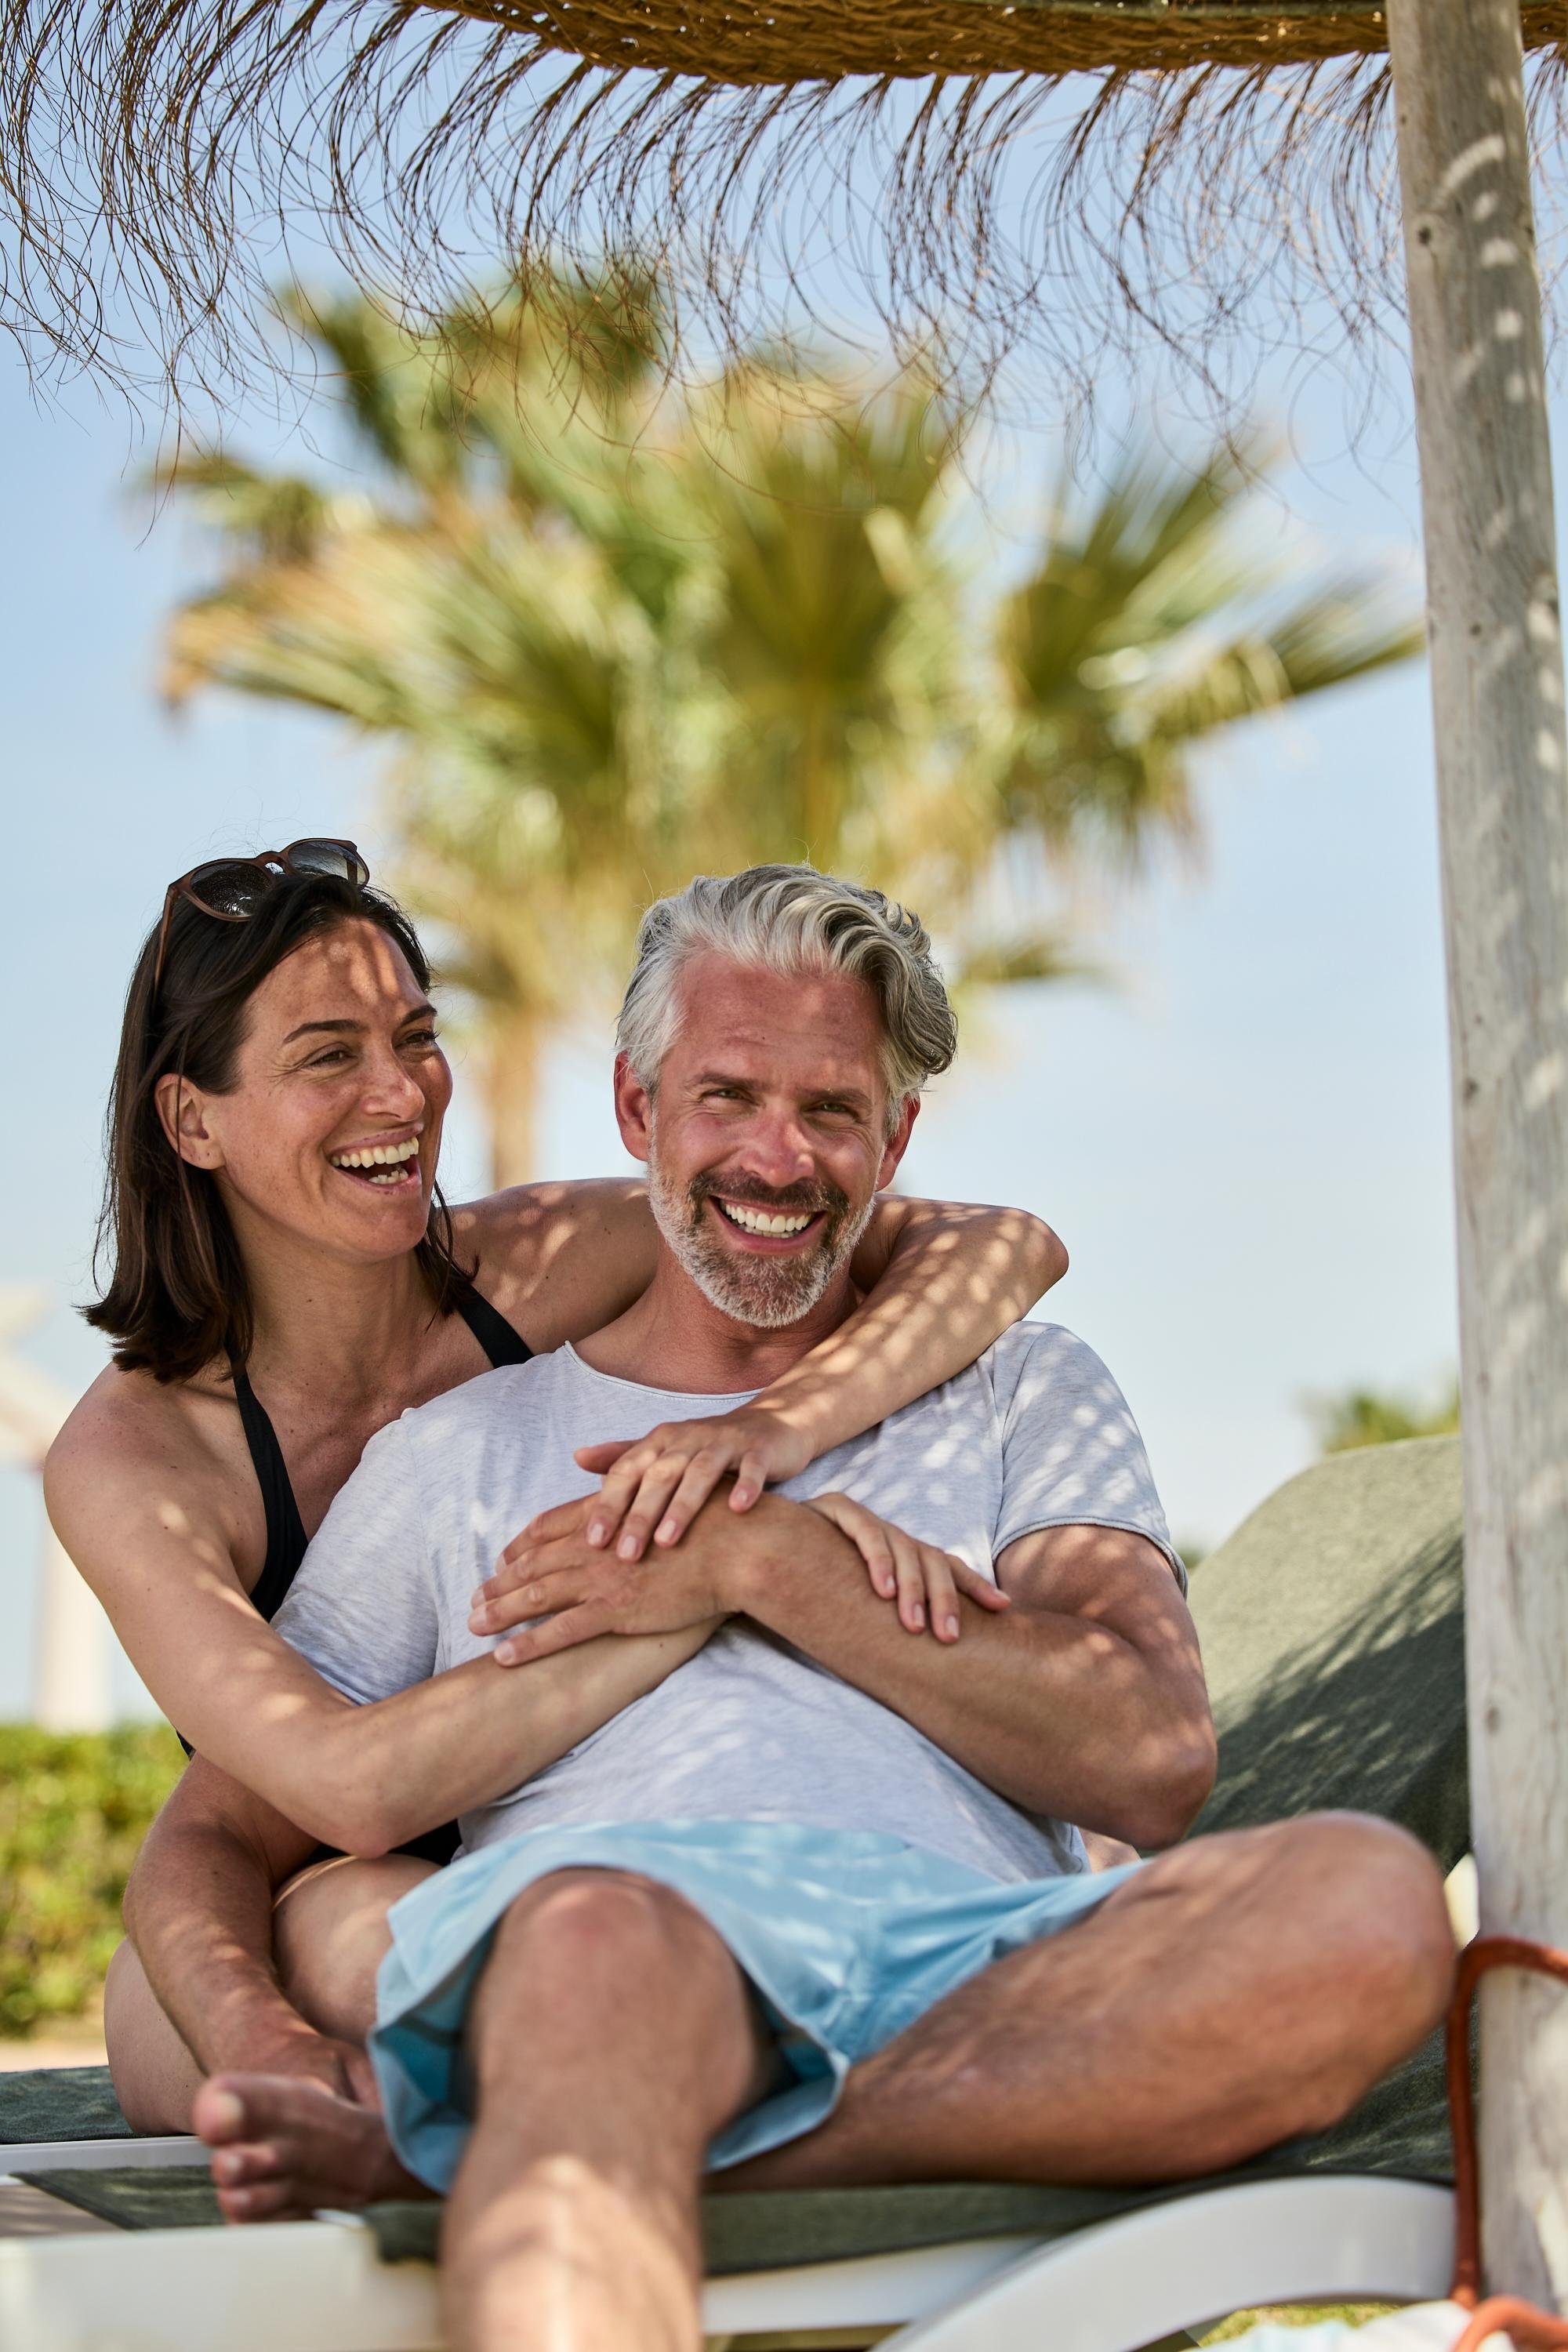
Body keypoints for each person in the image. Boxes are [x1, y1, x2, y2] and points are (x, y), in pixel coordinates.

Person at [151, 866, 1453, 2352]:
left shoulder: (1025, 1383)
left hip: (981, 1965)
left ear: (897, 1138)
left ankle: (537, 2154)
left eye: (833, 1111)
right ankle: (582, 2123)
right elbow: (217, 1833)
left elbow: (1153, 1759)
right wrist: (261, 2036)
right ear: (638, 1112)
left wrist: (767, 1565)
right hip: (630, 1948)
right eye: (728, 1098)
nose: (782, 1160)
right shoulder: (463, 1452)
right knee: (587, 1948)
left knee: (1372, 1901)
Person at [44, 842, 1065, 2132]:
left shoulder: (536, 1261)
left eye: (413, 1037)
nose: (398, 1094)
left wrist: (768, 1436)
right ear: (192, 1118)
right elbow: (336, 1794)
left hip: (555, 1858)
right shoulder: (137, 1460)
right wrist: (720, 1575)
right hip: (345, 1874)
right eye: (325, 1056)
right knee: (171, 2028)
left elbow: (998, 1244)